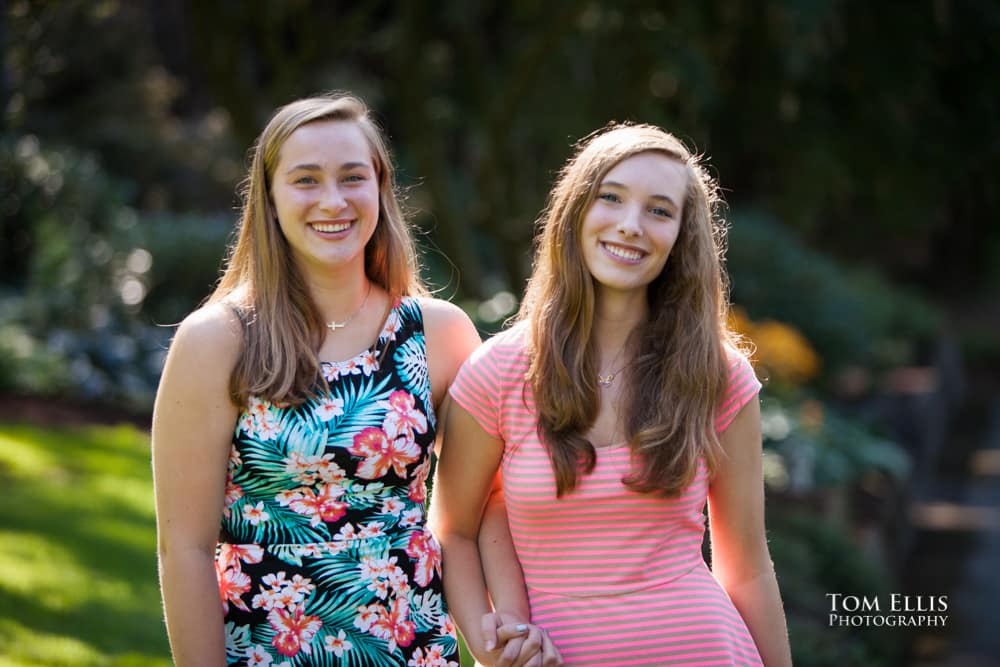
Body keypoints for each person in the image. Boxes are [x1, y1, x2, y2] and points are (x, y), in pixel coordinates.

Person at [431, 123, 794, 666]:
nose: (630, 226)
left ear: (680, 238)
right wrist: (493, 648)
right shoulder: (498, 372)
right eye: (611, 198)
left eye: (659, 210)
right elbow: (453, 530)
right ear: (576, 210)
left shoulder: (718, 376)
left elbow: (746, 567)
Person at [151, 92, 487, 666]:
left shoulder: (441, 335)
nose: (333, 200)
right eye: (306, 180)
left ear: (380, 189)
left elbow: (476, 520)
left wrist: (497, 635)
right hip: (265, 648)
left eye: (352, 178)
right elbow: (183, 550)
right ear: (271, 199)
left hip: (411, 646)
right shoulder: (219, 340)